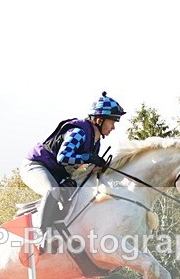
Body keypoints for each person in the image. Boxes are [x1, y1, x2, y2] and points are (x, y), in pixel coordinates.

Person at [20, 92, 126, 232]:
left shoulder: (96, 142)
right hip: (35, 165)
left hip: (56, 172)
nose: (113, 127)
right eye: (112, 122)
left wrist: (94, 167)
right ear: (99, 120)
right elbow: (63, 157)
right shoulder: (79, 132)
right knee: (53, 190)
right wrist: (87, 158)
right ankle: (42, 233)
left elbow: (79, 167)